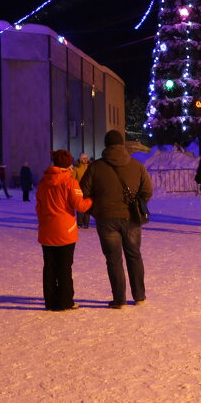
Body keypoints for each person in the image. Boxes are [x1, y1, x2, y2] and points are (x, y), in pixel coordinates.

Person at [80, 130, 152, 308]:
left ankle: (119, 300)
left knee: (114, 259)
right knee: (134, 256)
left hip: (106, 218)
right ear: (122, 144)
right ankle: (139, 296)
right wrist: (137, 203)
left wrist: (97, 208)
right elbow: (147, 191)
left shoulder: (96, 167)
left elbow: (84, 192)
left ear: (106, 145)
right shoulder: (137, 166)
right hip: (131, 218)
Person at [35, 149, 92, 311]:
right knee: (65, 267)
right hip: (65, 231)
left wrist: (44, 221)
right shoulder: (70, 182)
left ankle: (51, 301)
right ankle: (66, 301)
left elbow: (39, 207)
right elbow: (79, 205)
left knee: (49, 267)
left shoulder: (43, 182)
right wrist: (91, 200)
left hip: (47, 230)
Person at [73, 153, 92, 228]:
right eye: (84, 158)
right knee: (80, 206)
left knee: (87, 206)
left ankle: (86, 223)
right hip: (79, 190)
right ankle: (80, 223)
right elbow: (73, 179)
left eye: (86, 158)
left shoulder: (90, 167)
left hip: (88, 189)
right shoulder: (76, 168)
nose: (86, 159)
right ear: (80, 159)